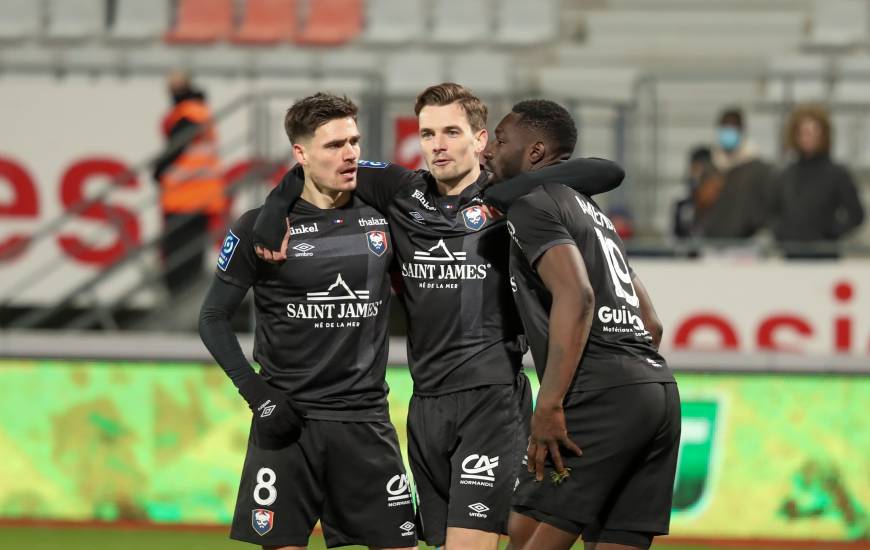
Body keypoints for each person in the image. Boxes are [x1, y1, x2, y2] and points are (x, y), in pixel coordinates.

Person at [252, 83, 625, 550]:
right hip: (425, 402)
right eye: (427, 134)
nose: (438, 144)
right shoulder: (399, 190)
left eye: (451, 132)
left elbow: (606, 171)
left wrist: (518, 185)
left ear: (481, 139)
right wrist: (274, 206)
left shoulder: (510, 198)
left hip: (491, 398)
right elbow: (318, 163)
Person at [198, 93, 417, 550]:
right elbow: (213, 317)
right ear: (300, 154)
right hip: (287, 424)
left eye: (354, 141)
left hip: (365, 420)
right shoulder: (259, 227)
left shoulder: (384, 215)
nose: (351, 153)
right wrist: (256, 394)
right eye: (335, 145)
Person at [483, 99, 680, 550]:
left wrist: (550, 403)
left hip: (600, 393)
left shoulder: (532, 205)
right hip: (657, 392)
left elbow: (578, 294)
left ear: (534, 153)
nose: (489, 151)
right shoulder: (593, 213)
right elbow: (650, 324)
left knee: (523, 533)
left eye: (500, 140)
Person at [153, 69, 226, 295]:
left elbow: (177, 148)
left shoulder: (188, 114)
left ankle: (179, 293)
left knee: (178, 256)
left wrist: (158, 170)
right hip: (199, 196)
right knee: (190, 254)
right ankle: (186, 291)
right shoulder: (200, 111)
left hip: (186, 197)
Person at [769, 104, 865, 259]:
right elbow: (771, 213)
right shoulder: (785, 174)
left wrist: (831, 232)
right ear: (795, 135)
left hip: (825, 257)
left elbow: (857, 215)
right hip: (792, 256)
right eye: (803, 132)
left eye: (814, 131)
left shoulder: (838, 174)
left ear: (824, 135)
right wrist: (783, 234)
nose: (808, 137)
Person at [699, 107, 774, 240]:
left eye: (732, 127)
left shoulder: (759, 168)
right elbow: (699, 207)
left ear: (741, 131)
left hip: (747, 243)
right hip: (713, 242)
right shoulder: (710, 167)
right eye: (724, 127)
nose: (728, 133)